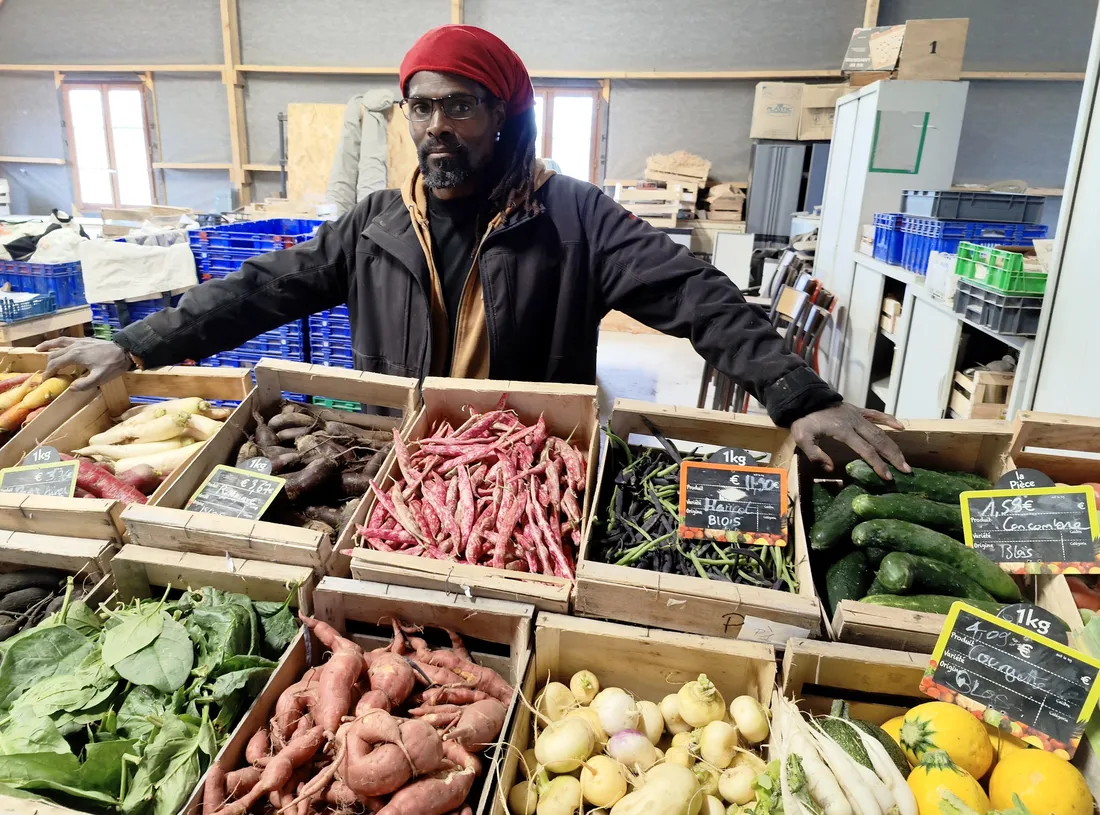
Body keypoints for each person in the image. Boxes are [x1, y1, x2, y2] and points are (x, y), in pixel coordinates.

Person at [40, 25, 908, 479]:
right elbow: (261, 289)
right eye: (421, 107)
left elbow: (697, 294)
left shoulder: (576, 221)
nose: (435, 127)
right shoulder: (376, 223)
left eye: (460, 106)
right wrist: (133, 343)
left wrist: (798, 395)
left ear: (504, 118)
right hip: (393, 466)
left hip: (529, 467)